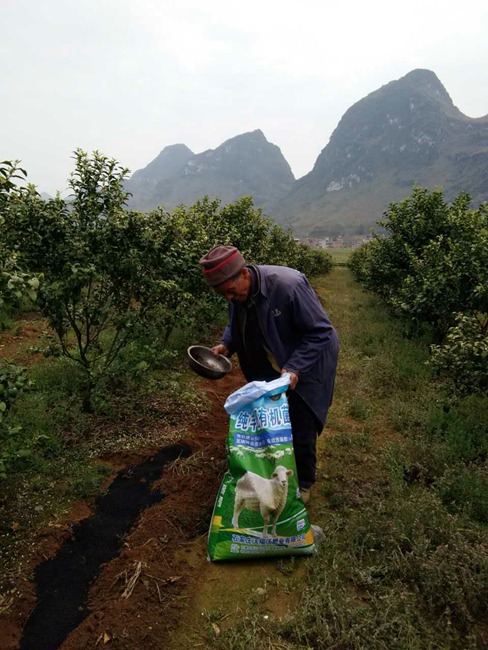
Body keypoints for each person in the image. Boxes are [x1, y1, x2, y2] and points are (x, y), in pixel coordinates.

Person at [199, 244, 339, 504]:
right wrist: (227, 345)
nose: (228, 297)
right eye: (222, 294)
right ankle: (274, 471)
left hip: (307, 363)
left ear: (244, 274)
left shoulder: (288, 285)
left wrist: (296, 366)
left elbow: (322, 332)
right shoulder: (237, 295)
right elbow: (235, 321)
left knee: (301, 423)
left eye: (230, 291)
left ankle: (304, 484)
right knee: (273, 420)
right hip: (272, 361)